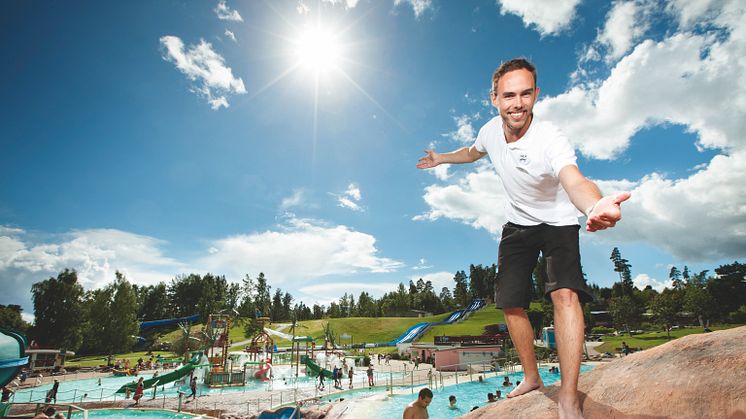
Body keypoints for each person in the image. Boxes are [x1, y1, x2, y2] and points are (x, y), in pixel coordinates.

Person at [417, 57, 629, 419]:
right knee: (511, 302)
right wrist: (442, 159)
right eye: (509, 95)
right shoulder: (488, 131)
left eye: (526, 94)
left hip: (560, 220)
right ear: (494, 98)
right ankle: (531, 377)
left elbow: (574, 178)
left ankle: (567, 395)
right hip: (517, 223)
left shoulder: (550, 138)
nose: (518, 103)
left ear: (536, 94)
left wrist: (593, 206)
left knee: (564, 294)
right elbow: (472, 152)